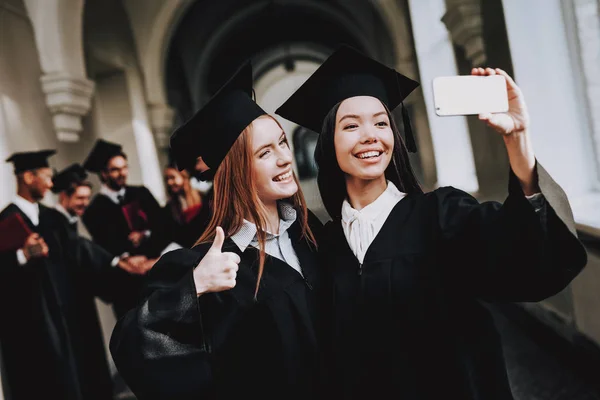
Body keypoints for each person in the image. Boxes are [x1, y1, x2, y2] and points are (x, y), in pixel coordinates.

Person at [275, 45, 588, 400]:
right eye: (351, 125)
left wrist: (517, 140)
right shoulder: (326, 245)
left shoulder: (440, 215)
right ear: (328, 144)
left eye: (381, 122)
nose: (370, 135)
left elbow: (521, 254)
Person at [110, 61, 326, 400]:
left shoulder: (310, 233)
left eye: (283, 143)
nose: (285, 158)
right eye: (265, 152)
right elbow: (132, 346)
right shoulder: (210, 265)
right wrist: (194, 287)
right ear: (237, 171)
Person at [0, 150, 125, 400]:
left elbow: (77, 254)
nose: (50, 183)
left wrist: (117, 263)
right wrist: (23, 255)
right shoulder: (6, 220)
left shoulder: (51, 219)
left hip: (61, 318)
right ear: (28, 177)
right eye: (45, 177)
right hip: (27, 324)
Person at [82, 139, 167, 318]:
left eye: (124, 167)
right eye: (115, 169)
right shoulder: (93, 210)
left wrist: (145, 238)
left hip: (156, 274)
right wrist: (127, 258)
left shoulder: (141, 194)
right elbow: (105, 245)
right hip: (126, 287)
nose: (122, 173)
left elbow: (164, 227)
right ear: (103, 174)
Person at [163, 161, 210, 247]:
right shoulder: (169, 208)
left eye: (172, 177)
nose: (169, 182)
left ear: (184, 177)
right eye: (167, 179)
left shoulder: (204, 197)